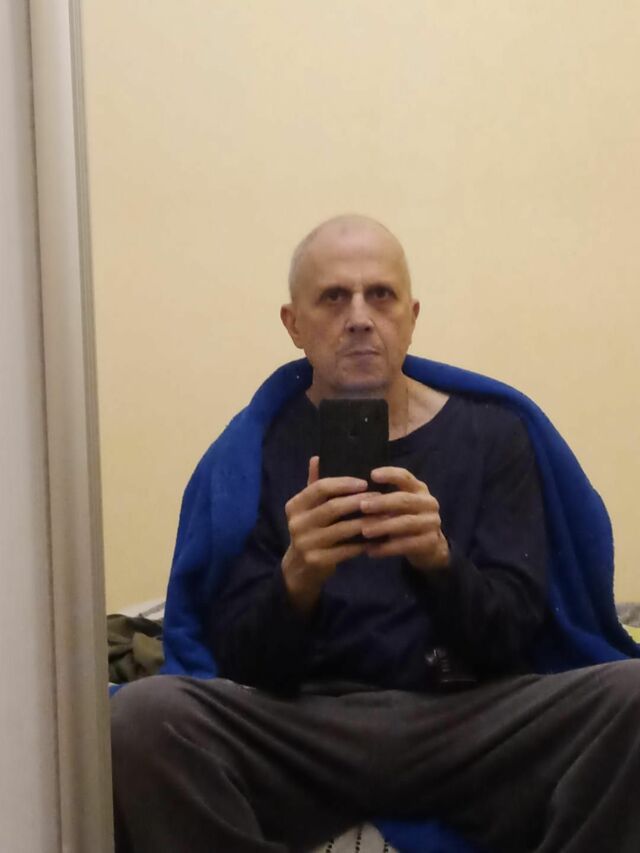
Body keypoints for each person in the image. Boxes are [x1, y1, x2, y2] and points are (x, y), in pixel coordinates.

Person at [111, 215, 640, 853]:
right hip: (302, 725)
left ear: (411, 317)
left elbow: (513, 638)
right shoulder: (251, 453)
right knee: (142, 717)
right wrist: (297, 580)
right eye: (334, 297)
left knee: (632, 695)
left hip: (467, 721)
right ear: (293, 324)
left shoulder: (493, 434)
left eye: (380, 295)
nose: (360, 317)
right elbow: (238, 664)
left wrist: (440, 564)